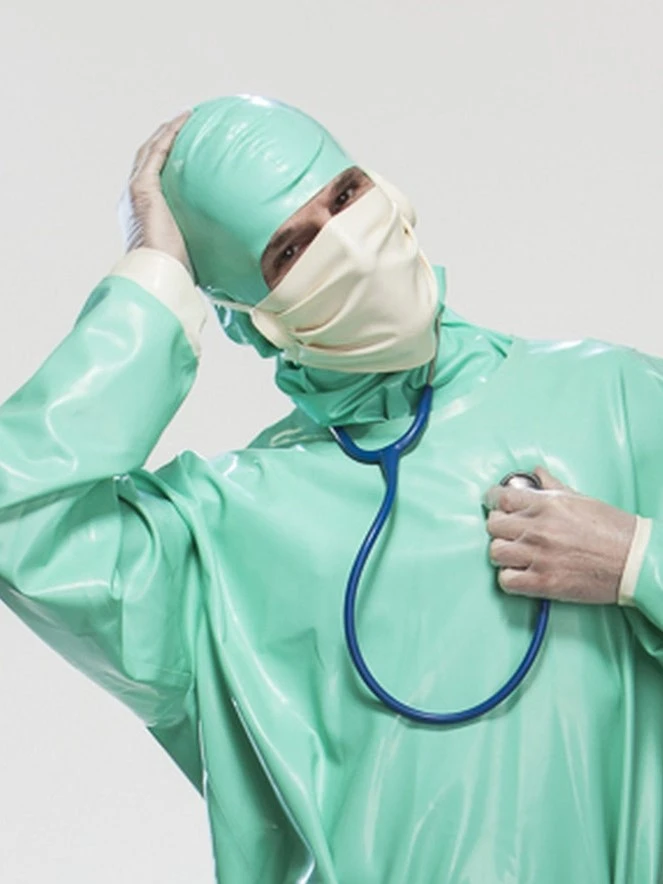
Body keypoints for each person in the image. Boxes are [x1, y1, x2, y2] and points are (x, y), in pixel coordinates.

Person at [1, 94, 662, 884]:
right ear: (245, 316)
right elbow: (18, 517)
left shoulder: (614, 398)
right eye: (291, 250)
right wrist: (155, 278)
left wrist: (638, 561)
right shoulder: (228, 529)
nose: (346, 242)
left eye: (345, 195)